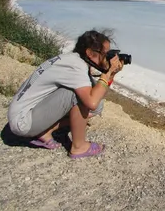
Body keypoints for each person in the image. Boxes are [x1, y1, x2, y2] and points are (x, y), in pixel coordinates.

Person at [7, 29, 123, 159]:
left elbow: (97, 97)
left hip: (26, 113)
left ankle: (46, 131)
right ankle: (79, 147)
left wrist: (111, 74)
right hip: (23, 122)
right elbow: (91, 101)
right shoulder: (76, 66)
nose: (109, 58)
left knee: (97, 104)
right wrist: (107, 73)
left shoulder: (72, 60)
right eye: (106, 54)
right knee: (79, 96)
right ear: (90, 53)